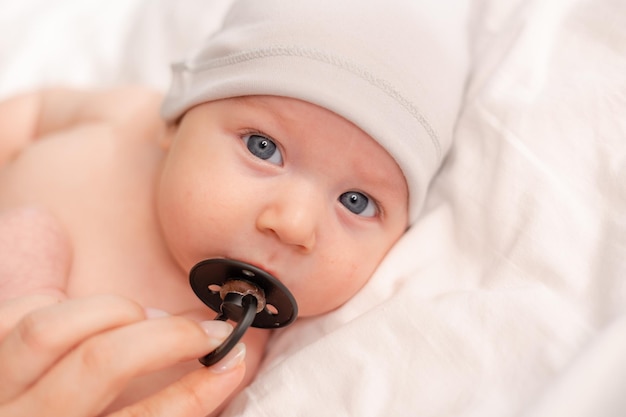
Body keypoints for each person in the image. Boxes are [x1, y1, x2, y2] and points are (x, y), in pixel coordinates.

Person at [0, 0, 466, 416]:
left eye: (356, 202)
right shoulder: (125, 117)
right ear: (179, 118)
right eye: (263, 148)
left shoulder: (226, 358)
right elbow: (33, 112)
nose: (293, 224)